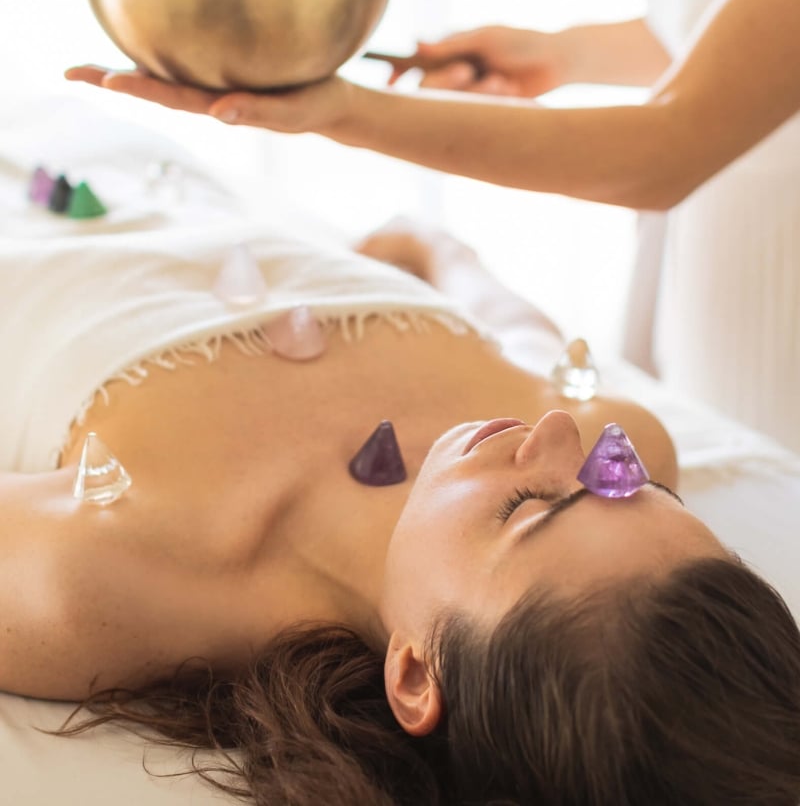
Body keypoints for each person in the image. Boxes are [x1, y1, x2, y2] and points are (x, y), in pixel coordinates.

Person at [2, 118, 800, 806]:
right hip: (160, 169)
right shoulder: (620, 444)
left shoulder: (123, 579)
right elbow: (525, 344)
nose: (560, 434)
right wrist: (439, 248)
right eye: (640, 487)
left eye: (527, 508)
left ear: (417, 675)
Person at [67, 0, 800, 456]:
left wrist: (348, 111)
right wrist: (561, 53)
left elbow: (665, 152)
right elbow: (725, 29)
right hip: (700, 288)